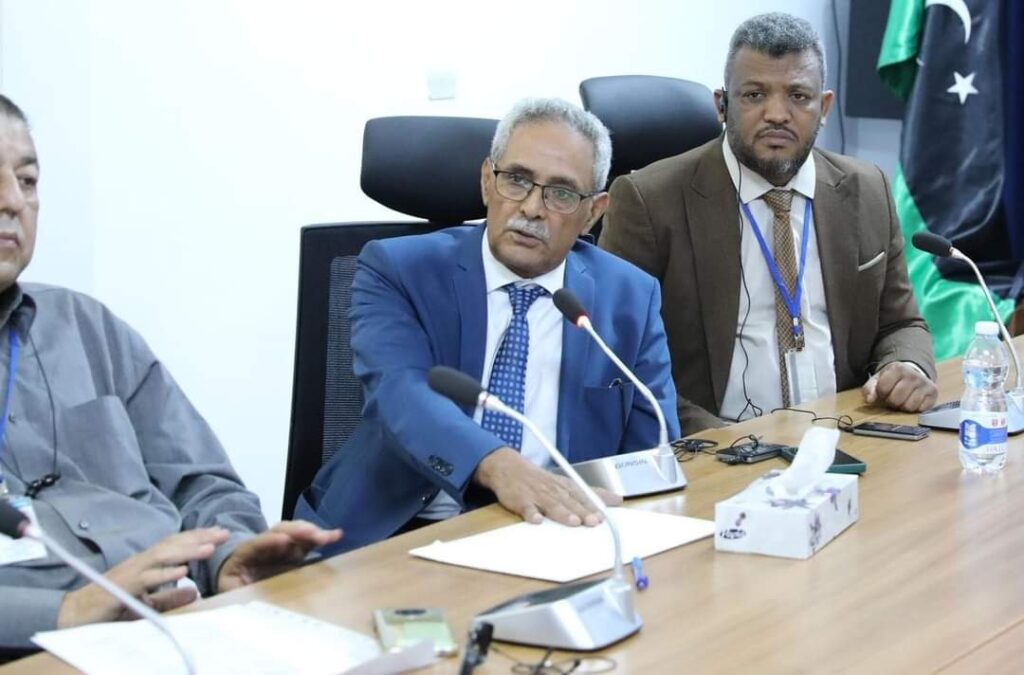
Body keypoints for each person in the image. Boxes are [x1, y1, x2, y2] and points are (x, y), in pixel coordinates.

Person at [0, 95, 341, 652]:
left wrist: (230, 555)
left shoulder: (87, 328)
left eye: (28, 180)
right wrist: (69, 610)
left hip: (180, 623)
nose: (14, 201)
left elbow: (203, 481)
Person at [296, 98, 679, 553]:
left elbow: (651, 450)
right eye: (516, 180)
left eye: (561, 193)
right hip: (396, 532)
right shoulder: (397, 269)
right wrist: (500, 466)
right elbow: (401, 394)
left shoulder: (629, 297)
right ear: (486, 181)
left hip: (551, 532)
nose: (532, 208)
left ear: (593, 213)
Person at [599, 12, 937, 435]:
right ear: (722, 105)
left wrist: (906, 364)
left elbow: (901, 324)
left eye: (798, 96)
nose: (777, 114)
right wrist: (727, 442)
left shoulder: (867, 189)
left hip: (850, 432)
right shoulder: (650, 201)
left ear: (824, 107)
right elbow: (618, 360)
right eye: (755, 95)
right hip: (719, 444)